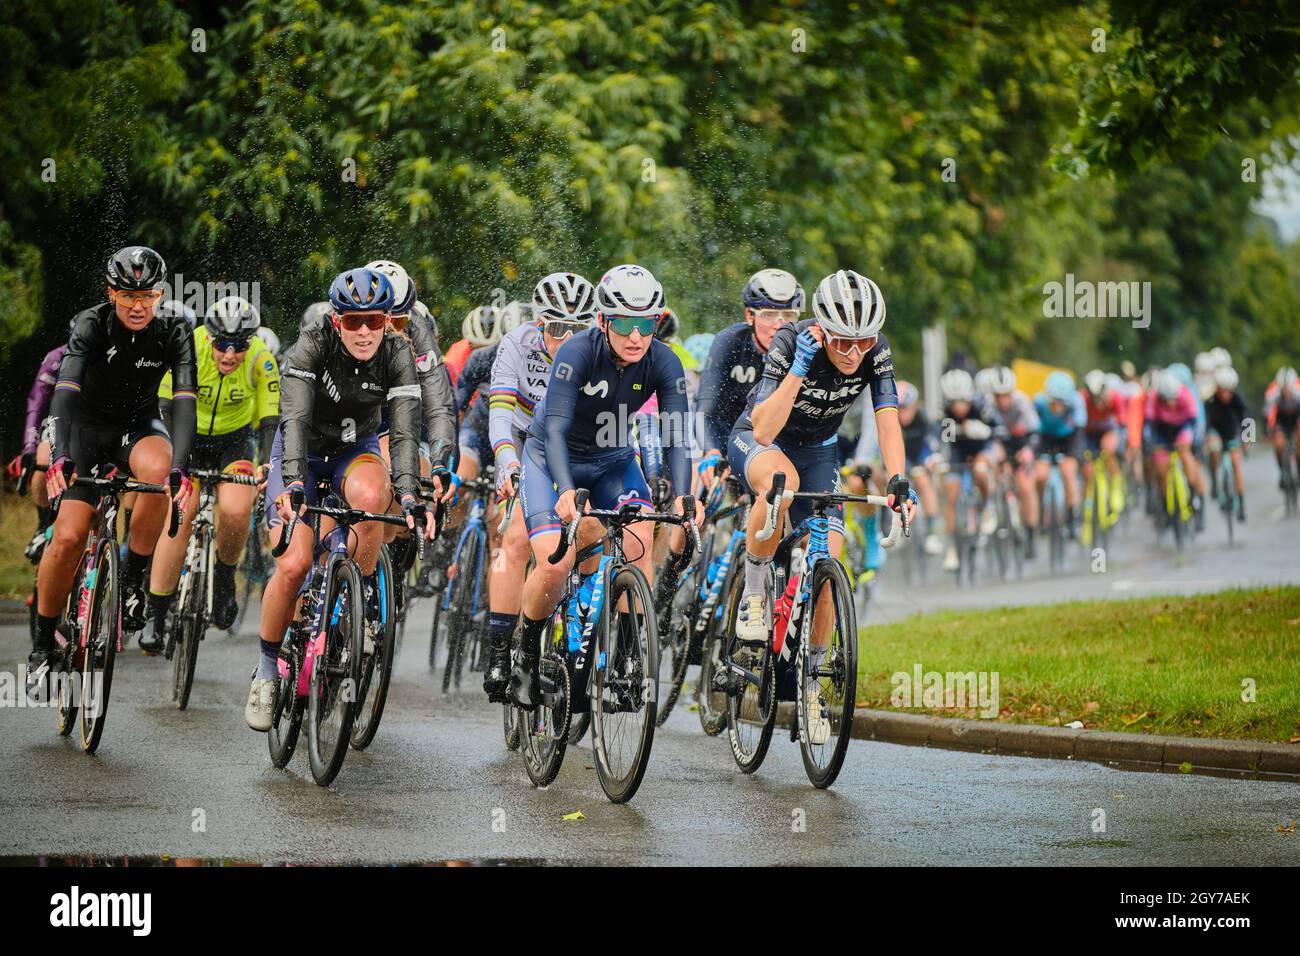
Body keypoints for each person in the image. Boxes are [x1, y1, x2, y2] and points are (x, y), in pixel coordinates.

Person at [728, 269, 913, 745]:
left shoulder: (876, 350)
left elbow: (888, 419)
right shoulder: (792, 340)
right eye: (843, 343)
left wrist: (898, 480)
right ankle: (753, 595)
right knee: (779, 481)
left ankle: (810, 683)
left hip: (819, 451)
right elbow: (765, 429)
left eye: (863, 341)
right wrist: (797, 370)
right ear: (824, 330)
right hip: (761, 438)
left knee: (828, 553)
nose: (854, 353)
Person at [246, 266, 433, 731]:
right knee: (292, 564)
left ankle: (353, 592)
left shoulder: (397, 354)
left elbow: (406, 432)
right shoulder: (311, 345)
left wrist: (409, 494)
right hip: (302, 454)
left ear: (387, 319)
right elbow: (292, 421)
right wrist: (291, 483)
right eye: (354, 322)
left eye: (374, 320)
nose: (365, 331)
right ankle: (268, 669)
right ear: (337, 321)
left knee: (375, 497)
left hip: (355, 452)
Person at [511, 264, 694, 709]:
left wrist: (687, 496)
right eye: (625, 324)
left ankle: (626, 665)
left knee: (638, 538)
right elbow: (552, 429)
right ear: (603, 321)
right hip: (550, 459)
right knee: (554, 564)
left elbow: (676, 436)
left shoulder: (664, 361)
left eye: (647, 324)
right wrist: (565, 490)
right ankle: (526, 651)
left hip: (612, 460)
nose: (636, 336)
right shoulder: (576, 352)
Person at [27, 246, 197, 693]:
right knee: (67, 535)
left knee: (160, 476)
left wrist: (180, 466)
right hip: (83, 429)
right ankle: (43, 645)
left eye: (148, 295)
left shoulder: (175, 331)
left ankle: (135, 580)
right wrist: (60, 453)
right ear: (112, 293)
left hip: (135, 427)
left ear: (160, 294)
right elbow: (64, 393)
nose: (139, 305)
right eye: (128, 295)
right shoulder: (90, 323)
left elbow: (183, 404)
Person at [481, 271, 599, 701]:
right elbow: (499, 410)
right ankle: (499, 651)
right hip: (523, 440)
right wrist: (505, 460)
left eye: (578, 329)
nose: (566, 338)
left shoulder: (600, 354)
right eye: (555, 328)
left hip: (572, 447)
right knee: (514, 539)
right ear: (538, 324)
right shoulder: (516, 343)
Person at [140, 295, 281, 652]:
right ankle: (156, 611)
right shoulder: (189, 346)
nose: (229, 354)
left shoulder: (261, 360)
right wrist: (177, 458)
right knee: (180, 514)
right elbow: (167, 405)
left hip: (233, 443)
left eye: (239, 346)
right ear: (209, 336)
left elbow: (269, 419)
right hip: (187, 433)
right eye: (222, 344)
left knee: (236, 509)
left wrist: (266, 461)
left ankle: (222, 578)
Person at [937, 367, 1000, 571]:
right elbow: (943, 440)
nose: (958, 407)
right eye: (953, 402)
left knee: (981, 470)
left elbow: (998, 432)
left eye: (962, 401)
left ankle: (988, 507)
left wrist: (984, 431)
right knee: (951, 492)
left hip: (982, 447)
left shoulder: (982, 405)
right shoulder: (944, 411)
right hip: (958, 450)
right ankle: (952, 548)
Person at [985, 366, 1041, 557]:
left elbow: (1036, 432)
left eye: (1006, 395)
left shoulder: (1022, 402)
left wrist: (1028, 451)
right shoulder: (987, 406)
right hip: (1001, 444)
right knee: (994, 466)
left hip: (1022, 444)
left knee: (1026, 487)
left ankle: (1030, 533)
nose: (1002, 400)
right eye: (998, 395)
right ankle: (994, 509)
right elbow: (984, 435)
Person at [1033, 370, 1086, 538]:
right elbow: (1032, 430)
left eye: (1061, 403)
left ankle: (1072, 517)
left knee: (1068, 471)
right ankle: (1041, 510)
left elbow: (1079, 432)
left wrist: (1073, 457)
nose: (1056, 407)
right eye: (1053, 402)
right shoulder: (1038, 403)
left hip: (1069, 438)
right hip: (1046, 438)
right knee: (1040, 475)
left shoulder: (1077, 403)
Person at [1204, 365, 1248, 521]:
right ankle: (1215, 482)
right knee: (1214, 451)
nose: (1226, 394)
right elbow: (1206, 424)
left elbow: (1247, 419)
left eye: (1229, 390)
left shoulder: (1237, 399)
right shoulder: (1210, 401)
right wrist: (1207, 437)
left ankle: (1241, 502)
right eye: (1222, 390)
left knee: (1236, 462)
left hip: (1233, 433)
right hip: (1217, 433)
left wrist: (1247, 440)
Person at [1264, 366, 1300, 487]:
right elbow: (1267, 414)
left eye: (1288, 388)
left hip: (1296, 418)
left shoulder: (1298, 391)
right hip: (1281, 421)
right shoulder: (1273, 393)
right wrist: (1267, 432)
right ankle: (1282, 472)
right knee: (1278, 444)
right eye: (1283, 389)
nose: (1286, 391)